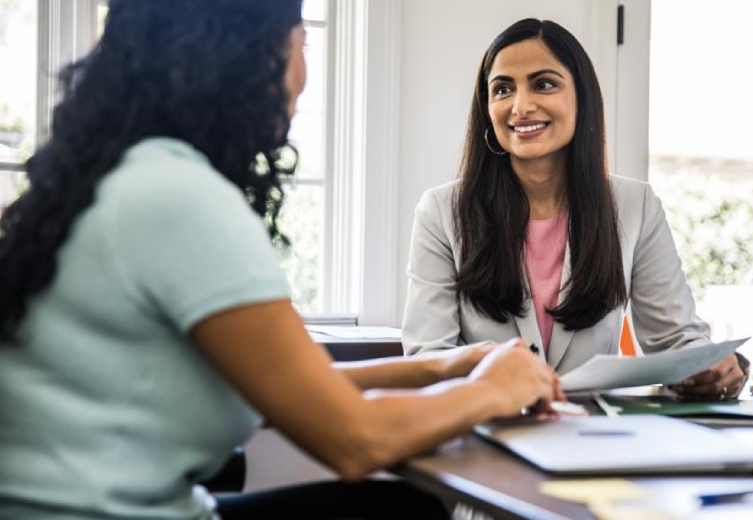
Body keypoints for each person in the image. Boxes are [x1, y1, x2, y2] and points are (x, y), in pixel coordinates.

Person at [0, 2, 563, 519]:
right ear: (257, 56)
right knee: (403, 510)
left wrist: (441, 368)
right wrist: (494, 389)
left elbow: (285, 385)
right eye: (302, 46)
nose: (303, 76)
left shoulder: (122, 178)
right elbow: (356, 440)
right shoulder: (179, 199)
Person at [402, 18, 749, 402]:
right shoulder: (441, 212)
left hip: (597, 437)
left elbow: (675, 338)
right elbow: (426, 358)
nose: (521, 106)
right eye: (503, 89)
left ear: (582, 97)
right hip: (486, 431)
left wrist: (707, 366)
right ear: (487, 108)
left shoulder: (636, 205)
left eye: (544, 83)